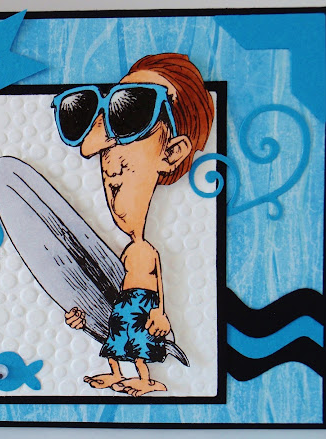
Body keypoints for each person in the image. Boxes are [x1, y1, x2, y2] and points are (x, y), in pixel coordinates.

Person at [53, 53, 214, 396]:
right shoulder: (127, 248)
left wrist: (160, 314)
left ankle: (146, 379)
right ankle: (117, 373)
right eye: (90, 114)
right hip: (125, 308)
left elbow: (157, 285)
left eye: (131, 113)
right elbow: (109, 288)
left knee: (139, 345)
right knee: (117, 342)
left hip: (141, 308)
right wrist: (86, 319)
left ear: (172, 152)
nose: (91, 149)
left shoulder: (149, 250)